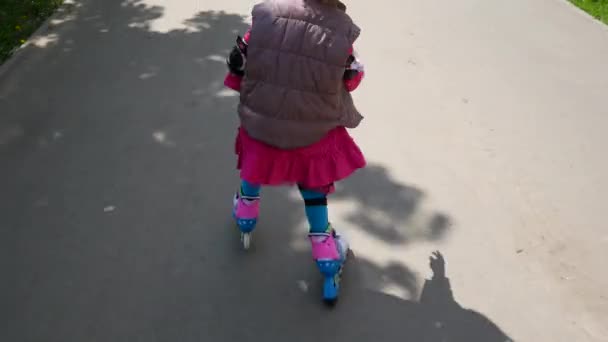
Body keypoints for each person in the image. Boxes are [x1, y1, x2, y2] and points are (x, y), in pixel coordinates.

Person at [224, 0, 365, 304]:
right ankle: (327, 260)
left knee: (256, 160)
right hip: (311, 133)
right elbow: (351, 79)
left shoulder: (267, 14)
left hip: (262, 122)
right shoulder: (341, 31)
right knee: (314, 189)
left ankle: (245, 214)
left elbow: (239, 59)